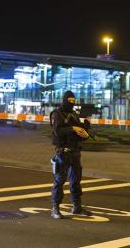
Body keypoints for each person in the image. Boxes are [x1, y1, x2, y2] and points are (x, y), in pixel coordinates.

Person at [49, 90, 92, 219]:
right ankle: (55, 208)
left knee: (76, 181)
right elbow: (58, 131)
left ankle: (77, 207)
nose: (71, 103)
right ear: (64, 100)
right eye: (69, 101)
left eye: (73, 101)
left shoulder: (73, 114)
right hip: (63, 152)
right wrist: (72, 128)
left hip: (75, 152)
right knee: (59, 180)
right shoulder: (57, 114)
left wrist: (86, 127)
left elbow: (80, 131)